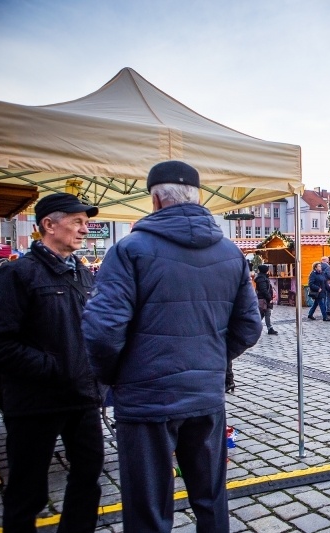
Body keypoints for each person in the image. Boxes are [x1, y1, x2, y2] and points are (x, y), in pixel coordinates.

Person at [82, 161, 262, 532]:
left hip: (146, 398)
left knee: (148, 508)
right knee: (211, 498)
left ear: (155, 200)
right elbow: (249, 326)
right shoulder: (230, 252)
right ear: (197, 198)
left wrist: (115, 376)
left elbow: (102, 330)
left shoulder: (129, 249)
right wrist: (209, 358)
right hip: (204, 394)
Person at [0, 193, 104, 533]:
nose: (84, 229)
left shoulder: (81, 275)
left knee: (88, 476)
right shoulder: (16, 274)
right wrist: (51, 368)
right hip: (35, 403)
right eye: (77, 222)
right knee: (28, 490)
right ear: (48, 225)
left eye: (86, 222)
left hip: (82, 397)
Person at [256, 264, 279, 335]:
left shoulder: (263, 277)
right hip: (264, 299)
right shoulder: (261, 279)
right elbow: (264, 290)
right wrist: (269, 298)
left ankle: (268, 328)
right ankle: (256, 327)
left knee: (265, 313)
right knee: (264, 313)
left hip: (265, 298)